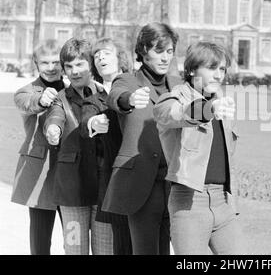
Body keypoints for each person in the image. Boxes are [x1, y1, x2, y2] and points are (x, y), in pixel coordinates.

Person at [154, 41, 243, 255]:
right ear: (193, 69)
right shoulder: (174, 97)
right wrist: (208, 109)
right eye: (212, 68)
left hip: (224, 204)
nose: (219, 75)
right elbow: (168, 113)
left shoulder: (221, 102)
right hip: (189, 204)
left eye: (222, 69)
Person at [102, 22, 181, 255]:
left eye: (169, 51)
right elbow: (117, 97)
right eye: (159, 51)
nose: (166, 57)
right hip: (140, 183)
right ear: (144, 50)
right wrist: (130, 99)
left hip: (174, 184)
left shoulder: (178, 85)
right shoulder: (127, 80)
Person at [44, 38, 113, 255]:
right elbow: (55, 117)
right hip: (72, 192)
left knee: (106, 250)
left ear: (90, 65)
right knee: (75, 250)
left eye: (79, 64)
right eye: (69, 66)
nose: (74, 71)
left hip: (104, 191)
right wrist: (52, 130)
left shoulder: (107, 95)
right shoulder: (60, 99)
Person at [11, 39, 65, 255]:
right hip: (40, 172)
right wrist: (42, 99)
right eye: (45, 63)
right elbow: (28, 103)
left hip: (71, 169)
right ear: (36, 63)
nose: (51, 68)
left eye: (55, 62)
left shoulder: (74, 88)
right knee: (40, 240)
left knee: (76, 237)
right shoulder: (25, 91)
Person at [80, 38, 133, 255]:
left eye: (106, 53)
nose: (100, 57)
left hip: (144, 176)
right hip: (114, 181)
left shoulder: (139, 88)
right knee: (119, 245)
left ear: (120, 57)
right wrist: (94, 123)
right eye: (97, 55)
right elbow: (86, 123)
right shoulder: (94, 100)